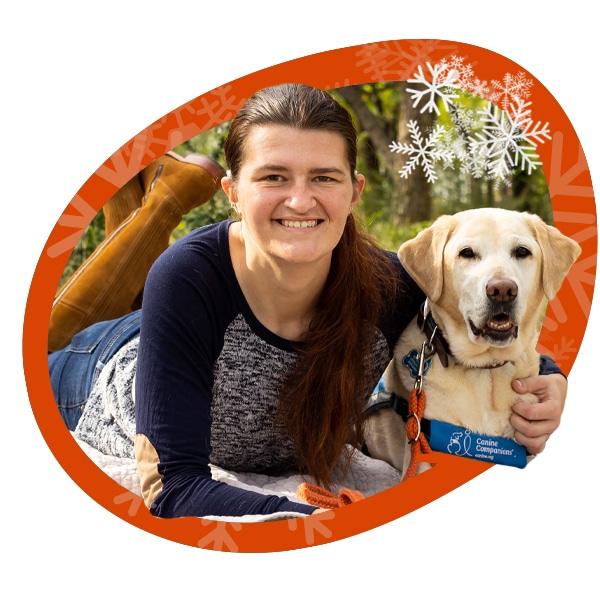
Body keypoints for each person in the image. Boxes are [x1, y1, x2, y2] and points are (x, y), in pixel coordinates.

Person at [48, 83, 568, 519]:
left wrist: (552, 379)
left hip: (171, 324)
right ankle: (160, 201)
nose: (301, 200)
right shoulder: (191, 276)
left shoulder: (389, 286)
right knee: (43, 337)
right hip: (96, 373)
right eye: (273, 177)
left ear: (354, 191)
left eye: (324, 177)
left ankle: (149, 195)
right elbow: (173, 487)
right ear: (231, 191)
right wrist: (317, 517)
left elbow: (473, 317)